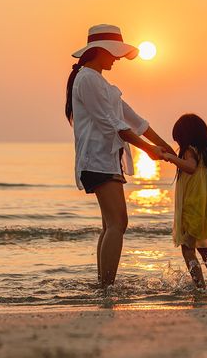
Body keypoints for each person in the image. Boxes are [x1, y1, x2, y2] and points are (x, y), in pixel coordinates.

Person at [65, 24, 174, 288]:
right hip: (97, 160)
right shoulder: (87, 79)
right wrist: (149, 151)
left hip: (107, 159)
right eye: (114, 53)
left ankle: (103, 285)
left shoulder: (101, 82)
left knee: (111, 225)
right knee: (118, 223)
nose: (117, 59)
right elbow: (113, 124)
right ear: (100, 51)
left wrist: (166, 146)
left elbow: (134, 120)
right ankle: (106, 287)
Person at [163, 114, 207, 289]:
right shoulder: (206, 152)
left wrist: (171, 158)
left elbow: (191, 168)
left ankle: (200, 286)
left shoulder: (190, 151)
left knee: (187, 247)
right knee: (203, 247)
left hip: (193, 204)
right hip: (206, 205)